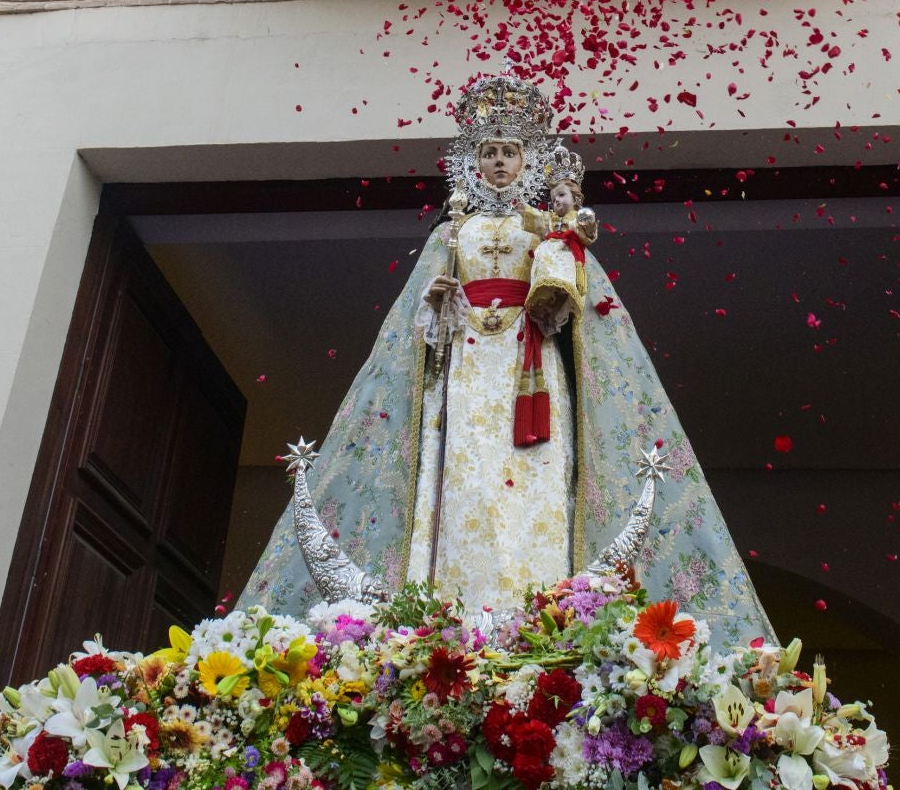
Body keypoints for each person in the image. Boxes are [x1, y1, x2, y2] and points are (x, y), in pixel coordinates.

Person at [242, 67, 768, 640]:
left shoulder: (546, 227)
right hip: (466, 370)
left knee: (539, 483)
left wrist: (554, 297)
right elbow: (419, 328)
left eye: (509, 152)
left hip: (530, 371)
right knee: (462, 484)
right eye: (489, 152)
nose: (498, 162)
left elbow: (577, 304)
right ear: (474, 161)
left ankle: (540, 611)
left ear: (527, 162)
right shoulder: (454, 231)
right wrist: (438, 302)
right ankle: (450, 609)